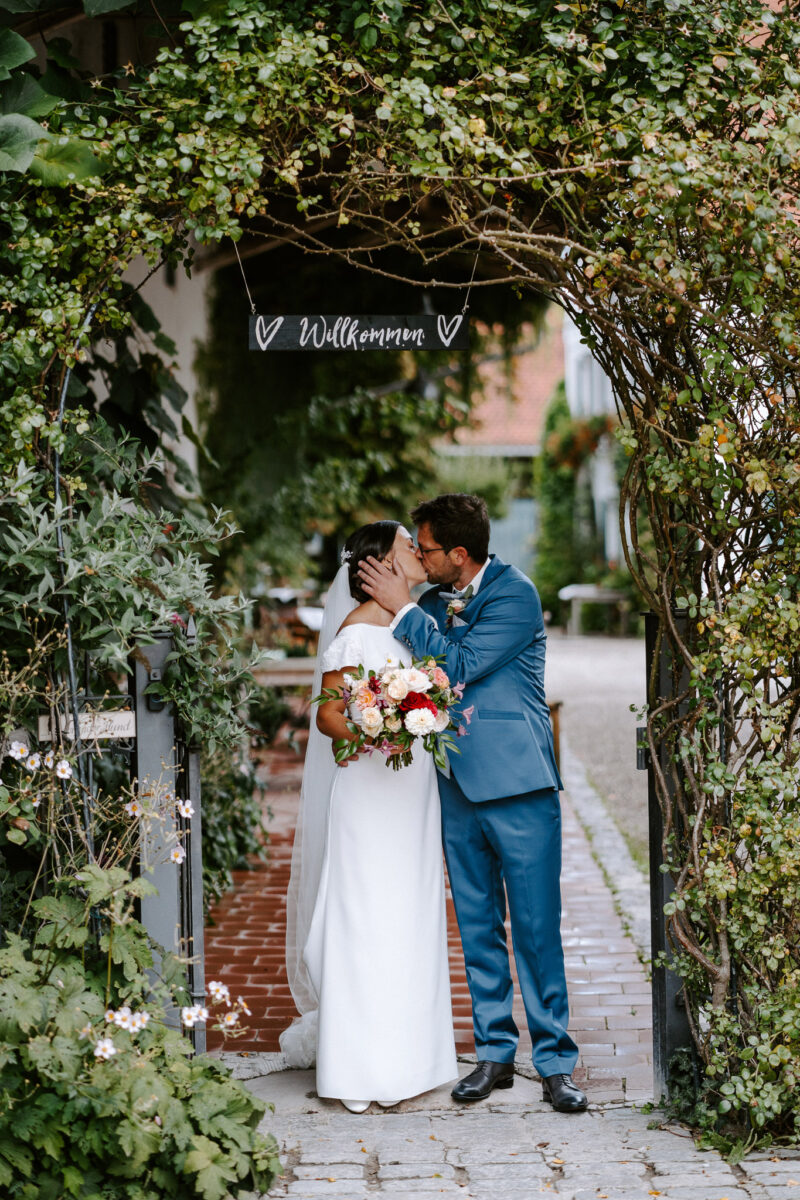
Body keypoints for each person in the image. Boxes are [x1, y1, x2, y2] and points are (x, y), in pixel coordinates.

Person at [358, 493, 588, 1114]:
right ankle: (493, 1053)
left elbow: (455, 664)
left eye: (426, 548)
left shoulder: (515, 596)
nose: (421, 557)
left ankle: (556, 1064)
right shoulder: (433, 601)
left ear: (460, 555)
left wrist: (404, 606)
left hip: (520, 787)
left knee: (537, 928)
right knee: (478, 925)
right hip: (455, 786)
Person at [281, 520, 457, 1113]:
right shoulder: (356, 633)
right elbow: (329, 718)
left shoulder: (413, 630)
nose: (418, 553)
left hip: (412, 793)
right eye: (409, 545)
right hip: (368, 792)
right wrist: (375, 724)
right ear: (377, 564)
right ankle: (361, 1068)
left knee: (410, 912)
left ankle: (414, 1061)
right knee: (367, 914)